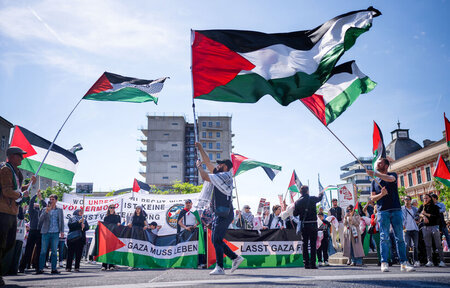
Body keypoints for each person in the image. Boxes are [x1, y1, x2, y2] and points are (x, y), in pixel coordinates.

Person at [195, 142, 244, 275]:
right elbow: (208, 163)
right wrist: (200, 148)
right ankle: (235, 258)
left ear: (225, 166)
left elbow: (204, 176)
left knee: (216, 239)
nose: (217, 165)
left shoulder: (225, 176)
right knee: (215, 239)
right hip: (221, 212)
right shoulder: (220, 174)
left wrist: (199, 166)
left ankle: (220, 267)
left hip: (225, 213)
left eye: (220, 164)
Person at [366, 158, 415, 272]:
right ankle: (384, 262)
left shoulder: (392, 175)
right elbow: (372, 198)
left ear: (386, 165)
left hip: (396, 209)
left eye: (380, 163)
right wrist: (381, 195)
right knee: (384, 237)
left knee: (400, 237)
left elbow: (390, 179)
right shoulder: (374, 181)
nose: (377, 164)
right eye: (377, 163)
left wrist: (374, 173)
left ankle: (404, 263)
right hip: (382, 211)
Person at [0, 147, 35, 284]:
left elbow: (18, 189)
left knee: (9, 244)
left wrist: (29, 184)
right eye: (20, 155)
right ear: (12, 156)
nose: (22, 158)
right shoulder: (5, 170)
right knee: (2, 244)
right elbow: (8, 191)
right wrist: (21, 194)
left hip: (12, 212)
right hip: (3, 211)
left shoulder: (16, 172)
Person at [293, 185, 323, 269]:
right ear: (307, 191)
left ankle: (306, 263)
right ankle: (313, 263)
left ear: (300, 192)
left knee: (305, 244)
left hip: (304, 225)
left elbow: (295, 214)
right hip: (313, 224)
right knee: (313, 244)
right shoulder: (312, 198)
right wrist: (321, 194)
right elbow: (319, 198)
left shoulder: (297, 201)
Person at [19, 189, 46, 273]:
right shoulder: (31, 211)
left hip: (40, 232)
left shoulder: (42, 211)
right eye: (35, 203)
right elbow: (31, 202)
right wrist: (35, 195)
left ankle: (37, 268)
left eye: (38, 203)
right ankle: (22, 267)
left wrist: (41, 198)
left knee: (38, 251)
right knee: (28, 249)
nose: (36, 204)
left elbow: (45, 206)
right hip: (33, 231)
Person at [37, 194, 64, 274]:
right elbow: (40, 220)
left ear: (56, 200)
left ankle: (54, 269)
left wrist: (62, 231)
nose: (51, 201)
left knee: (54, 252)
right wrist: (46, 211)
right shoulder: (45, 209)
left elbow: (61, 221)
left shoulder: (59, 210)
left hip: (55, 233)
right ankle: (40, 268)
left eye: (53, 199)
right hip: (46, 232)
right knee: (43, 251)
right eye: (50, 199)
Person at [417, 193, 446, 267]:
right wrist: (423, 216)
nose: (425, 200)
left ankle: (442, 261)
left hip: (434, 226)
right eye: (424, 198)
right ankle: (430, 261)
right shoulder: (422, 206)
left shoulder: (435, 207)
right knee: (428, 245)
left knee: (438, 245)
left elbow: (436, 217)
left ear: (430, 198)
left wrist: (426, 214)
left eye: (426, 198)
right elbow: (417, 213)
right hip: (425, 227)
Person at [101, 204, 121, 271]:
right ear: (109, 208)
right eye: (111, 207)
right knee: (106, 251)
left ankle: (111, 265)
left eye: (113, 207)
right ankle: (104, 265)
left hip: (114, 235)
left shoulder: (117, 217)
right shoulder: (106, 217)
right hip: (107, 236)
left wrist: (119, 224)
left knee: (113, 251)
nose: (112, 209)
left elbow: (119, 224)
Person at [402, 196, 420, 267]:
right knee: (407, 245)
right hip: (406, 229)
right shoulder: (402, 208)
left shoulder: (415, 209)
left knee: (415, 246)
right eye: (405, 199)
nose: (406, 201)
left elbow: (418, 217)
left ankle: (416, 260)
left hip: (415, 229)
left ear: (410, 200)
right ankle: (407, 260)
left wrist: (418, 220)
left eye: (408, 199)